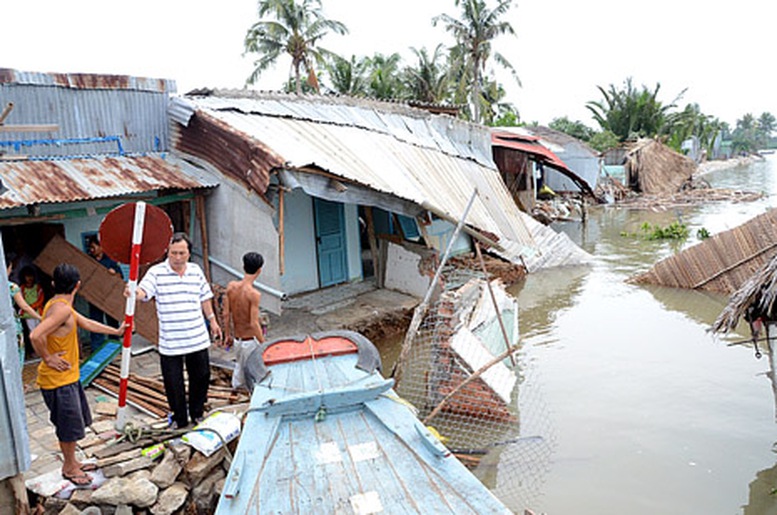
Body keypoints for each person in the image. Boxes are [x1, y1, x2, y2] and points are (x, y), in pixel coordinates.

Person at [30, 263, 124, 486]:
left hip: (69, 378)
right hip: (57, 380)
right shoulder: (60, 308)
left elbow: (88, 323)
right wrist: (49, 358)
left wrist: (116, 331)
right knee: (68, 426)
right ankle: (69, 467)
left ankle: (72, 462)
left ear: (53, 284)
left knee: (73, 424)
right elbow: (35, 336)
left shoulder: (61, 305)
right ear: (78, 285)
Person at [129, 232, 222, 429]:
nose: (177, 258)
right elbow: (144, 291)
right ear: (167, 253)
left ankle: (197, 413)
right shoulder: (156, 272)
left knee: (202, 376)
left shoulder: (196, 271)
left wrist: (212, 320)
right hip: (171, 341)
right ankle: (180, 419)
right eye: (173, 253)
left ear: (189, 253)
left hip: (196, 336)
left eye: (181, 253)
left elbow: (205, 297)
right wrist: (134, 292)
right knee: (173, 383)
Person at [222, 252, 265, 389]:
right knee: (254, 374)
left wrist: (227, 335)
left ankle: (235, 393)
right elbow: (253, 323)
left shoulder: (231, 287)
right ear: (259, 270)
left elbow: (226, 314)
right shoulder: (254, 294)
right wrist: (264, 343)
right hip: (250, 341)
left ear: (243, 266)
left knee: (239, 369)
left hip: (237, 340)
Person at [86, 236, 124, 353]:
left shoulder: (110, 261)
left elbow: (120, 277)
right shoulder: (88, 260)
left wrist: (113, 274)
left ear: (101, 247)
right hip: (94, 296)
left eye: (94, 247)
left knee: (112, 322)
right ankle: (97, 349)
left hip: (109, 297)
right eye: (90, 247)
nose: (92, 250)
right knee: (96, 322)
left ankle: (115, 347)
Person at [7, 262, 42, 367]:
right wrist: (41, 317)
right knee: (17, 354)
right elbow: (25, 306)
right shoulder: (12, 287)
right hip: (11, 324)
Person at [19, 266, 44, 351]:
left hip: (38, 311)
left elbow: (41, 299)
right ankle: (37, 350)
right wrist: (29, 308)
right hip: (28, 314)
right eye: (27, 276)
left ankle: (43, 349)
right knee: (32, 332)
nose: (29, 278)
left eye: (31, 276)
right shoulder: (21, 288)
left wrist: (33, 306)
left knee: (41, 331)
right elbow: (20, 300)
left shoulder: (38, 287)